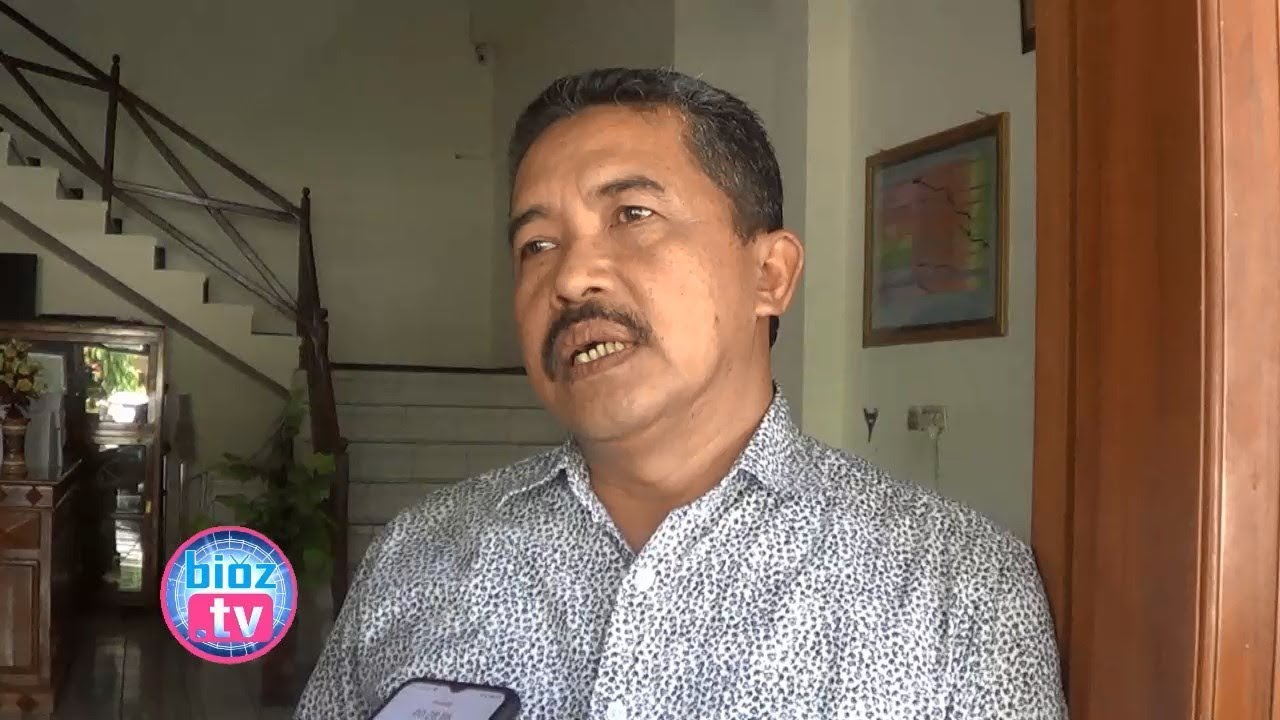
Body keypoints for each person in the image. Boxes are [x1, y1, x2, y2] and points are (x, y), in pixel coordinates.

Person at [296, 68, 1066, 719]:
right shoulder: (417, 556)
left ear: (770, 275)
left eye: (633, 215)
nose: (570, 277)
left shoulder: (955, 585)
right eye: (537, 244)